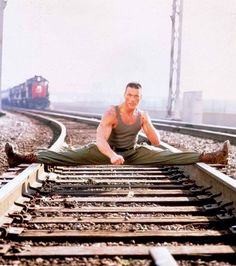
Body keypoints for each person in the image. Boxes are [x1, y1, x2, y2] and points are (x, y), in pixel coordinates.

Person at [5, 82, 230, 167]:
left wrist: (148, 125)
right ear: (125, 94)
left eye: (137, 96)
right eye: (130, 95)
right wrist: (112, 156)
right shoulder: (112, 113)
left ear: (140, 98)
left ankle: (211, 157)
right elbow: (100, 139)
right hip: (104, 152)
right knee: (67, 157)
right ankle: (21, 157)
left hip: (132, 153)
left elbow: (157, 142)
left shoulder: (142, 115)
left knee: (168, 156)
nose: (133, 99)